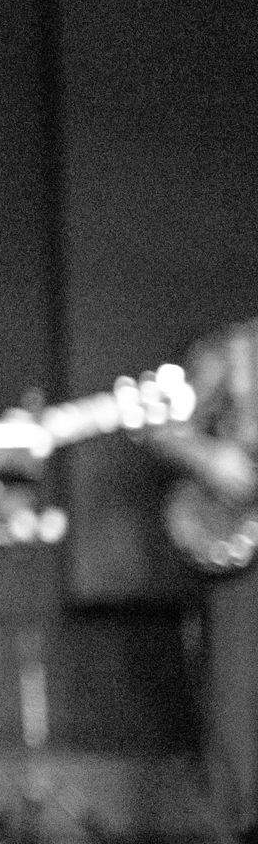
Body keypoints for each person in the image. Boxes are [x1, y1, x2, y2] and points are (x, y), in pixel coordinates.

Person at [160, 318, 258, 844]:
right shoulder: (236, 350)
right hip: (239, 547)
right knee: (236, 706)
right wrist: (212, 458)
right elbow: (156, 420)